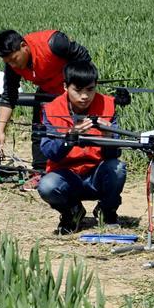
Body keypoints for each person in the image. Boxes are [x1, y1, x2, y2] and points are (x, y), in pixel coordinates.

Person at [0, 29, 92, 189]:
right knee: (39, 132)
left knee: (78, 132)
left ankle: (84, 172)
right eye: (8, 62)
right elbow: (8, 96)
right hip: (46, 93)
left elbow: (84, 58)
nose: (12, 64)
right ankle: (39, 172)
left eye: (14, 59)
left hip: (72, 92)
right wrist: (0, 131)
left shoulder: (54, 43)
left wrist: (78, 89)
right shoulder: (12, 66)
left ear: (24, 46)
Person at [37, 61, 127, 235]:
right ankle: (72, 212)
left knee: (118, 168)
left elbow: (115, 154)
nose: (85, 96)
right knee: (47, 186)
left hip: (96, 174)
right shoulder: (51, 109)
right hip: (66, 175)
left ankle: (106, 212)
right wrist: (70, 137)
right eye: (78, 90)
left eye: (90, 89)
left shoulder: (108, 105)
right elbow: (49, 152)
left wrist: (108, 135)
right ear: (65, 87)